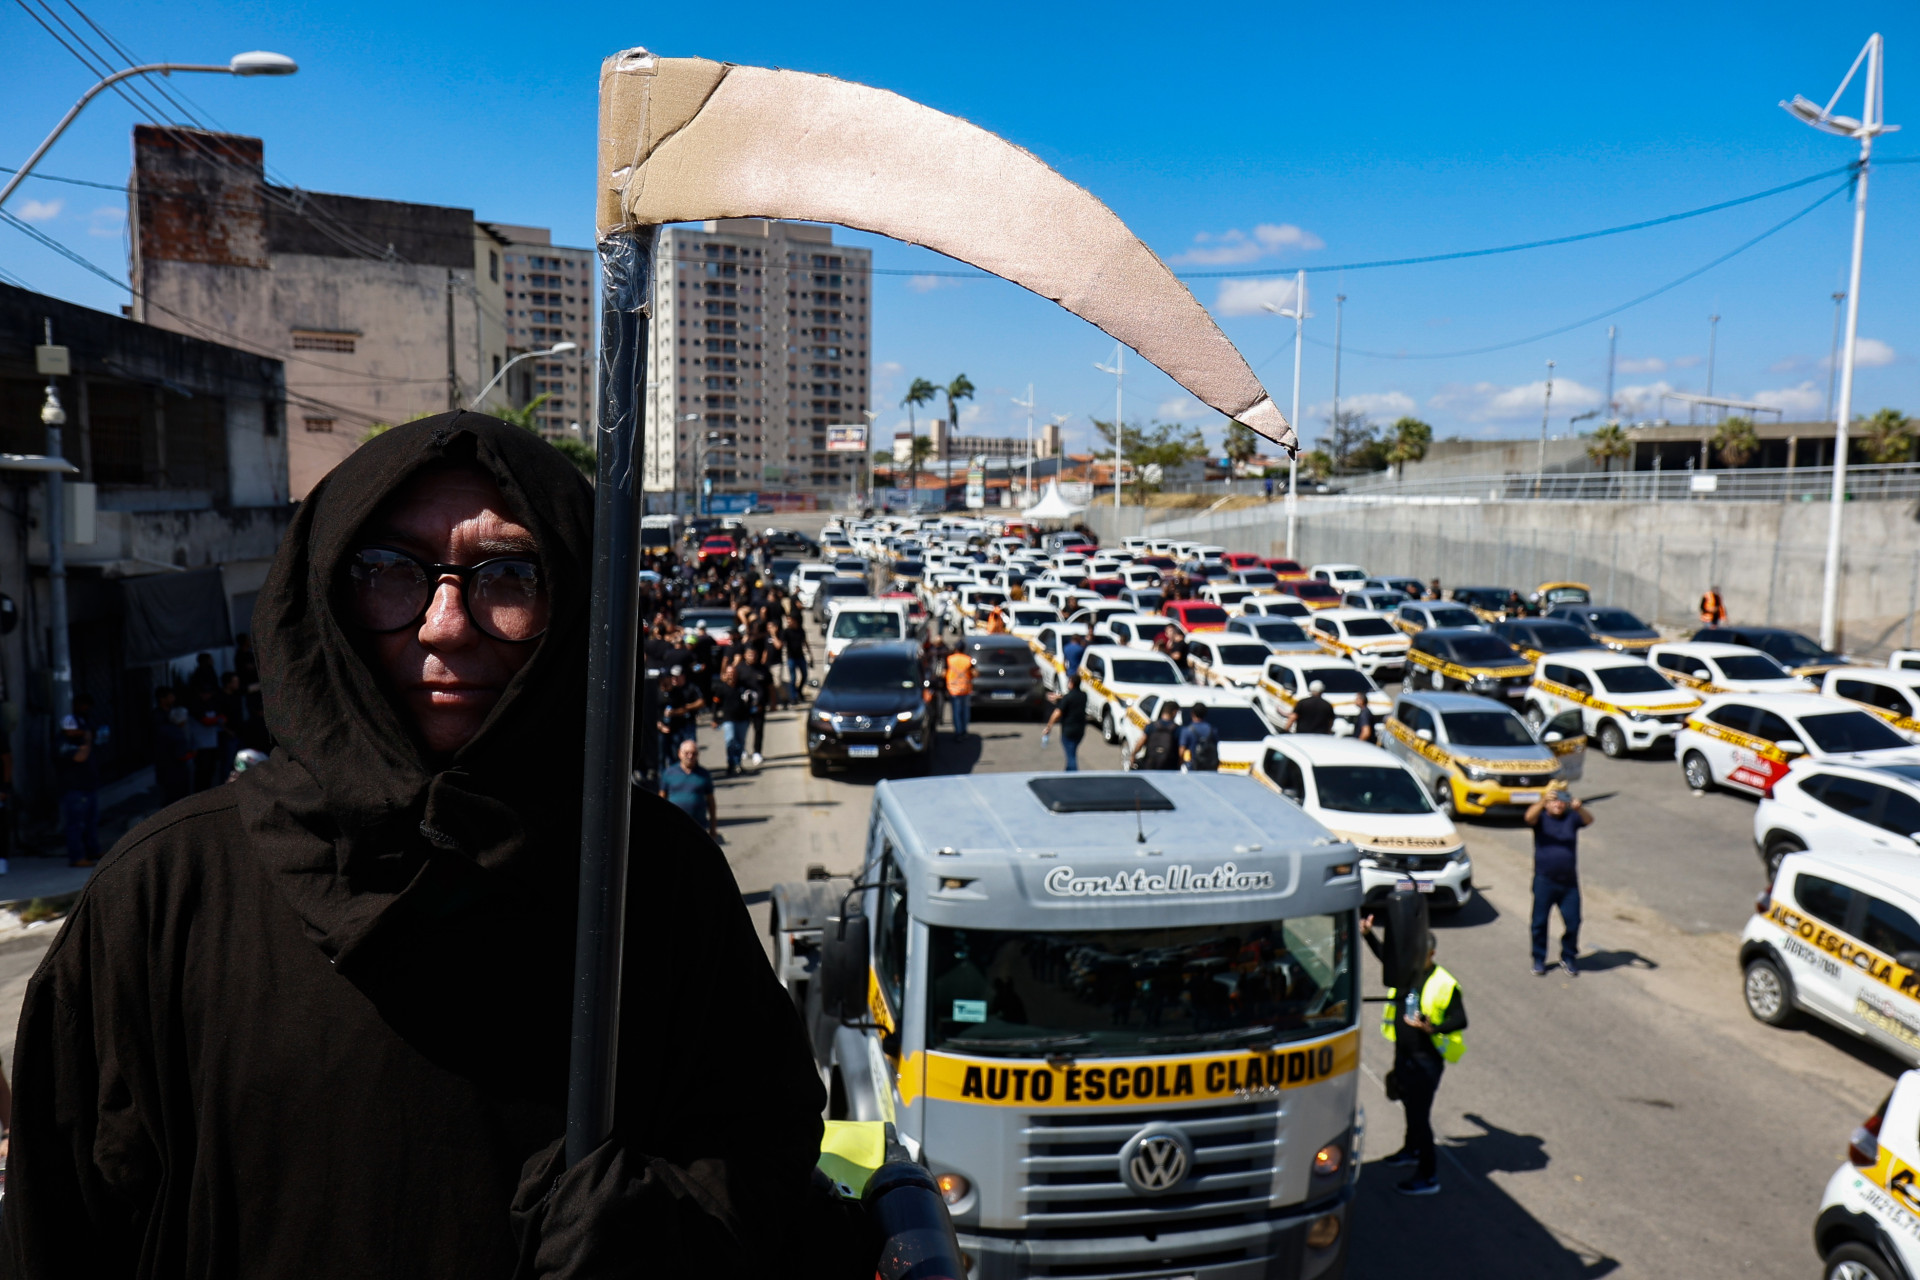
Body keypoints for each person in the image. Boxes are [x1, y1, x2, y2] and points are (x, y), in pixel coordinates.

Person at [0, 414, 864, 1278]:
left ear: (579, 611)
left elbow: (766, 1150)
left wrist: (660, 1225)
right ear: (327, 593)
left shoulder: (657, 883)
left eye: (510, 575)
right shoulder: (164, 899)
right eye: (387, 571)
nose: (446, 624)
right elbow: (56, 1227)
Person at [1371, 930, 1466, 1196]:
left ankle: (1428, 1175)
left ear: (1432, 954)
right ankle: (1410, 1150)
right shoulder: (1407, 972)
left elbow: (1461, 1019)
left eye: (1418, 955)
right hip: (1404, 1055)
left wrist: (1432, 1028)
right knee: (1406, 1103)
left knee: (1419, 1117)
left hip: (1426, 1062)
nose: (1411, 959)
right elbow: (1384, 958)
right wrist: (1368, 935)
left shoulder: (1444, 983)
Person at [1524, 780, 1593, 976]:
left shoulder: (1571, 818)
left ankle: (1569, 956)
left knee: (1574, 922)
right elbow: (1528, 818)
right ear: (1546, 802)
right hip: (1544, 880)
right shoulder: (1541, 819)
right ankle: (1539, 959)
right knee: (1539, 922)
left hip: (1569, 883)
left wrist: (1580, 809)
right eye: (1554, 800)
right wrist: (1542, 801)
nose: (1558, 804)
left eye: (1562, 800)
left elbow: (1589, 820)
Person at [54, 705, 99, 869]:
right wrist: (87, 741)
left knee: (91, 822)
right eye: (80, 730)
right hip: (74, 790)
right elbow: (80, 757)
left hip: (88, 787)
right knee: (76, 825)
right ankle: (77, 857)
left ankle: (92, 851)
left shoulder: (78, 740)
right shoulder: (63, 743)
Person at [660, 736, 719, 838]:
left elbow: (711, 802)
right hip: (674, 826)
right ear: (679, 753)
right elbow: (661, 799)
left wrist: (713, 827)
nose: (690, 756)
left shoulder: (704, 774)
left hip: (698, 827)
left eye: (694, 753)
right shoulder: (669, 773)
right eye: (687, 753)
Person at [152, 688, 194, 804]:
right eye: (170, 696)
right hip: (167, 760)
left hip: (179, 760)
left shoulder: (174, 713)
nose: (173, 699)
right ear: (162, 699)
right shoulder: (158, 718)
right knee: (170, 793)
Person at [711, 660, 753, 776]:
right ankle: (731, 764)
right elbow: (716, 703)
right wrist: (715, 718)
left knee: (740, 742)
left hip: (742, 719)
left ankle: (738, 764)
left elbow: (751, 697)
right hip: (728, 719)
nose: (731, 675)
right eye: (729, 673)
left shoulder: (743, 686)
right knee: (730, 740)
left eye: (733, 673)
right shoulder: (721, 688)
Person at [1043, 672, 1089, 771]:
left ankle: (1073, 775)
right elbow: (1072, 697)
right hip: (1080, 731)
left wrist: (1048, 727)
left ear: (1071, 684)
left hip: (1068, 731)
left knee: (1071, 756)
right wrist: (1059, 697)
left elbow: (1057, 714)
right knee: (1072, 752)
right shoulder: (1084, 696)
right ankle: (1068, 772)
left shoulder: (1068, 698)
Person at [1131, 701, 1183, 771]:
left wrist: (1133, 755)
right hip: (1169, 767)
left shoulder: (1152, 726)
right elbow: (1181, 750)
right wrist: (1179, 764)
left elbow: (1141, 742)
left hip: (1151, 765)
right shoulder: (1177, 729)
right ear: (1174, 712)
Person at [944, 641, 977, 737]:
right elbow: (974, 673)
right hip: (966, 689)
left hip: (953, 690)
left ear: (956, 649)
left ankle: (958, 732)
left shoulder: (950, 659)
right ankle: (964, 730)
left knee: (956, 713)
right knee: (965, 712)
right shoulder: (968, 660)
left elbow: (944, 672)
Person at [781, 609, 812, 702]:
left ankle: (799, 691)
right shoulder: (786, 632)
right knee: (793, 678)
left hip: (800, 656)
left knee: (805, 675)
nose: (788, 622)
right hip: (791, 657)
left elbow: (805, 642)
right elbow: (782, 644)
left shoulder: (801, 630)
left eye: (790, 620)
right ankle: (793, 697)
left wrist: (810, 655)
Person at [1179, 703, 1220, 771]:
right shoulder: (1212, 730)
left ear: (1192, 713)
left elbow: (1181, 750)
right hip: (1210, 767)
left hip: (1193, 767)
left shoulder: (1187, 730)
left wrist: (1180, 763)